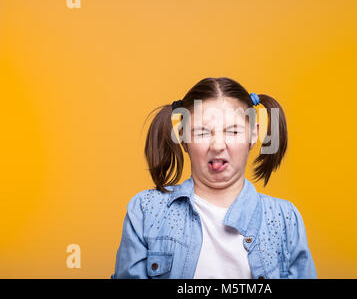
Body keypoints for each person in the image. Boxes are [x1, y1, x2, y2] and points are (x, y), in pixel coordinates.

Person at [111, 77, 317, 279]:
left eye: (233, 131)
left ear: (253, 135)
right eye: (202, 132)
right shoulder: (146, 210)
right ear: (183, 138)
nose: (218, 145)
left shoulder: (284, 218)